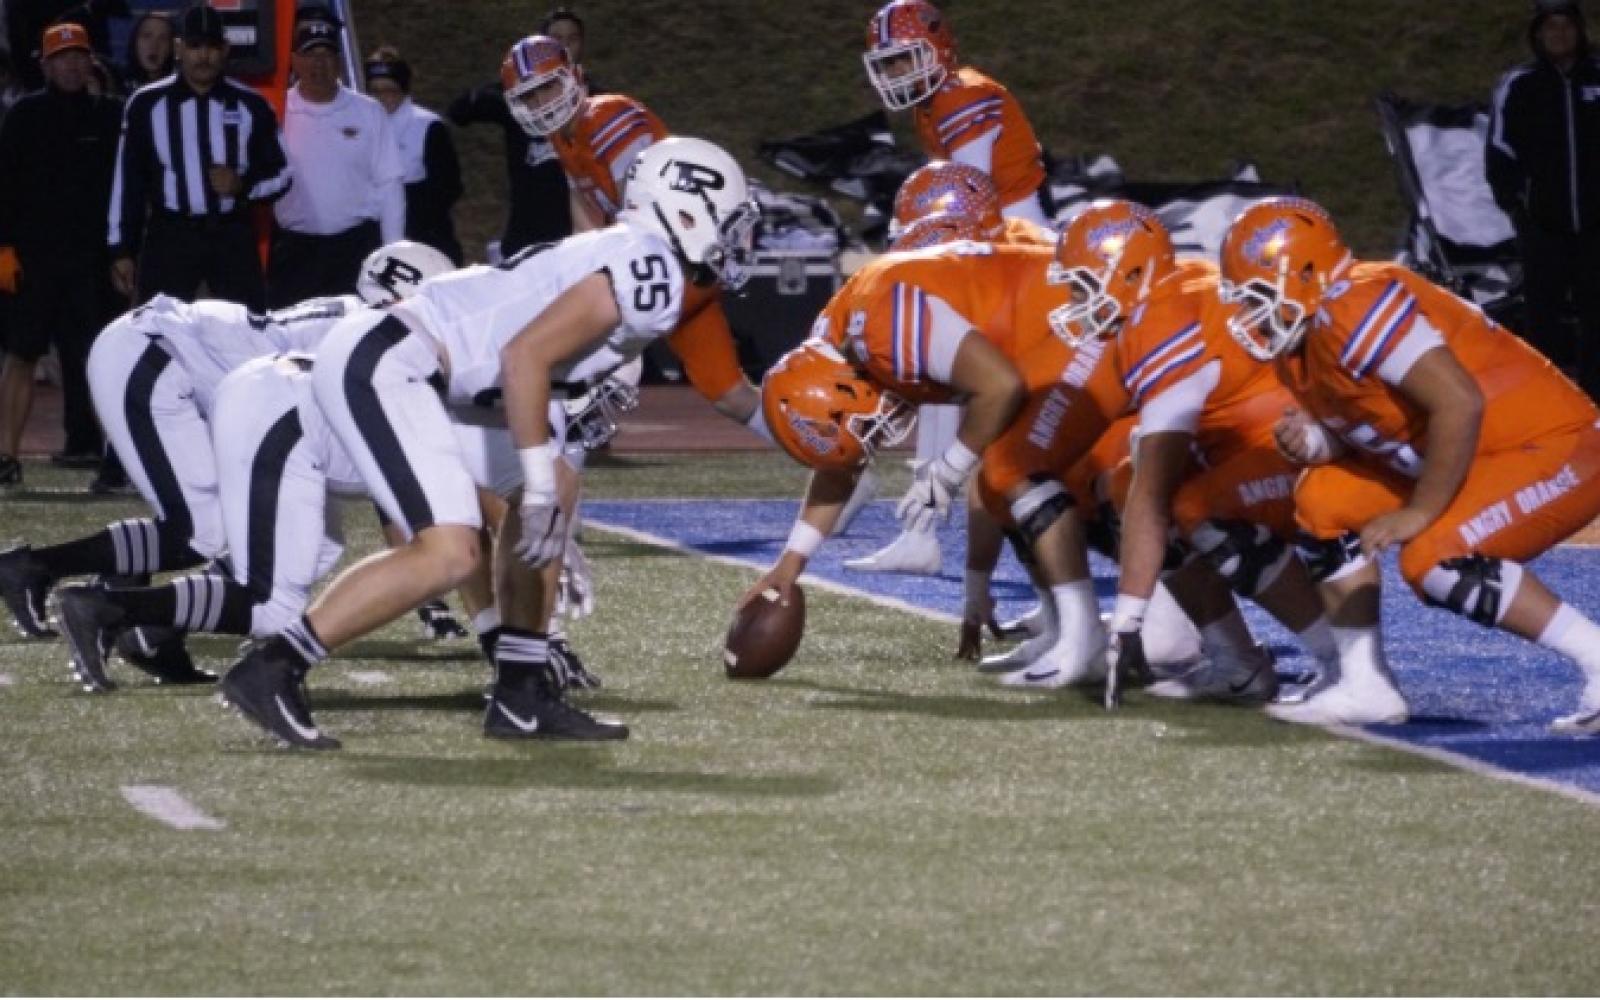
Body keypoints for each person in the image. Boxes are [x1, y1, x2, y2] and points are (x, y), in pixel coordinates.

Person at [215, 137, 758, 750]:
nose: (735, 238)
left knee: (549, 492)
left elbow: (528, 370)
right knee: (451, 553)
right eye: (728, 220)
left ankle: (522, 693)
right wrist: (539, 487)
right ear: (686, 209)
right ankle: (274, 667)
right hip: (397, 361)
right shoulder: (651, 266)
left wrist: (542, 489)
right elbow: (524, 356)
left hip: (439, 377)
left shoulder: (628, 251)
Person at [1218, 196, 1600, 732]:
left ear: (1303, 273)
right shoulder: (1306, 338)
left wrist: (1419, 511)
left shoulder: (1355, 302)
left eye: (1257, 296)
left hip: (1554, 447)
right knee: (1323, 499)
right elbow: (1385, 424)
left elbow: (1458, 403)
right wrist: (1320, 442)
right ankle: (1365, 684)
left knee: (1434, 557)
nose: (1249, 315)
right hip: (1477, 455)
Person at [48, 243, 465, 691]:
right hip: (175, 364)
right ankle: (92, 597)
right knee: (221, 552)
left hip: (245, 403)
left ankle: (150, 624)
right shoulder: (369, 336)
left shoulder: (357, 324)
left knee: (317, 545)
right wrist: (431, 586)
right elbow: (391, 474)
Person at [757, 231, 1126, 690]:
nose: (876, 434)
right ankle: (1062, 628)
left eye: (865, 428)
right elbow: (840, 467)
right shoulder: (833, 348)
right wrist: (789, 566)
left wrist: (946, 471)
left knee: (1016, 468)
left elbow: (1000, 386)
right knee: (1002, 474)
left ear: (843, 389)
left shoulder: (880, 327)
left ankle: (1087, 637)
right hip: (1046, 334)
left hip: (1083, 318)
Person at [855, 0, 1054, 574]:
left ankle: (927, 532)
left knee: (957, 379)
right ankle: (923, 531)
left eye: (905, 59)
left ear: (938, 49)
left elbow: (969, 195)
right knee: (944, 377)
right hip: (1001, 240)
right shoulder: (937, 101)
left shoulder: (963, 96)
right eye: (888, 64)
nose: (897, 73)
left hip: (1011, 244)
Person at [0, 21, 123, 485]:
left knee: (101, 360)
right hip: (34, 261)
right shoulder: (24, 115)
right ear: (46, 65)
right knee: (21, 355)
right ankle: (5, 456)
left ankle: (116, 460)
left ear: (91, 61)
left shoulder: (112, 115)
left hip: (93, 261)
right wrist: (3, 249)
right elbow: (3, 186)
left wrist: (122, 251)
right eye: (62, 57)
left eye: (78, 55)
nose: (71, 65)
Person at [108, 3, 289, 312]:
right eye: (195, 46)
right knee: (157, 329)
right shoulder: (146, 104)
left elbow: (282, 174)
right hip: (170, 234)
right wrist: (121, 249)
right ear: (179, 48)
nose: (203, 56)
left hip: (231, 232)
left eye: (212, 46)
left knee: (247, 327)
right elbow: (127, 182)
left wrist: (242, 185)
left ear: (225, 49)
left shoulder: (252, 104)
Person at [1487, 0, 1600, 397]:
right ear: (1537, 35)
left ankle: (1594, 399)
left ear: (1579, 31)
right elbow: (1499, 151)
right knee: (1543, 317)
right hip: (1543, 227)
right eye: (1550, 27)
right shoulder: (1519, 84)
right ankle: (1546, 398)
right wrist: (1517, 207)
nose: (1559, 34)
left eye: (1566, 26)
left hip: (1596, 227)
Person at [267, 10, 404, 306]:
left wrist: (392, 252)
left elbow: (389, 184)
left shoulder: (368, 111)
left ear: (339, 61)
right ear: (294, 60)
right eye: (310, 54)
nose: (319, 64)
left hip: (356, 247)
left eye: (326, 55)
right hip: (296, 250)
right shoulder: (275, 111)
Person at [363, 46, 463, 265]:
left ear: (403, 89)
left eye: (389, 90)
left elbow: (449, 187)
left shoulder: (428, 125)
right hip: (371, 238)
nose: (382, 98)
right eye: (375, 91)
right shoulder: (359, 126)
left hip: (425, 239)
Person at [118, 9, 173, 93]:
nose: (154, 45)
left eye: (163, 38)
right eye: (147, 36)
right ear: (135, 42)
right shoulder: (118, 84)